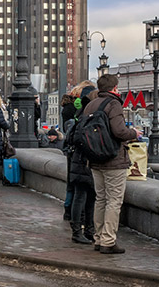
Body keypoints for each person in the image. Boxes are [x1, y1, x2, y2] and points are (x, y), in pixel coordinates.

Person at [81, 73, 141, 255]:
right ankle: (108, 240)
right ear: (115, 88)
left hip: (94, 158)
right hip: (113, 159)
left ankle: (98, 239)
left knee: (100, 199)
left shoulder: (91, 104)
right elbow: (119, 131)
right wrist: (134, 133)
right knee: (114, 201)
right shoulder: (113, 104)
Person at [63, 80, 97, 245]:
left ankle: (88, 230)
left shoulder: (79, 115)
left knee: (88, 196)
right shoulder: (86, 117)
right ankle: (79, 231)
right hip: (84, 161)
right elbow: (78, 138)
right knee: (82, 195)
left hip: (80, 161)